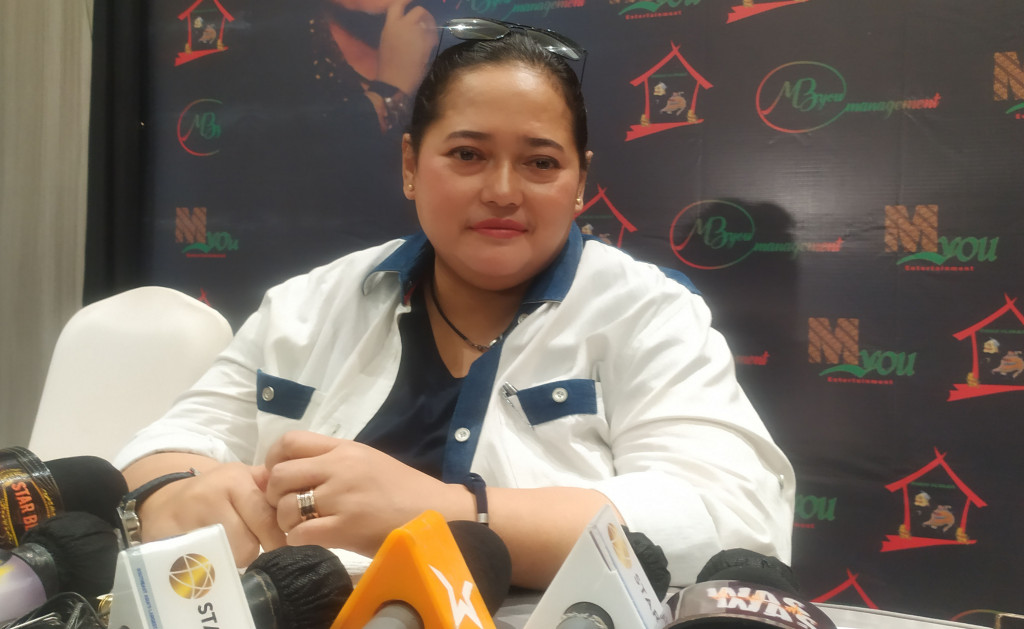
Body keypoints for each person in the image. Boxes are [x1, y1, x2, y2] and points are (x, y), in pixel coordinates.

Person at [114, 18, 795, 590]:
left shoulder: (645, 312)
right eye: (468, 154)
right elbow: (162, 448)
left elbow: (731, 520)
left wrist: (444, 511)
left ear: (581, 180)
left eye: (541, 162)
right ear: (411, 165)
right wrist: (175, 494)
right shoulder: (308, 304)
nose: (502, 191)